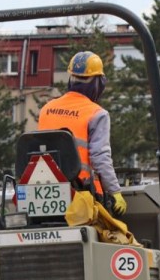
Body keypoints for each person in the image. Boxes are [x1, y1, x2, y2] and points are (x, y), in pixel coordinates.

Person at [37, 50, 127, 217]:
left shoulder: (46, 109)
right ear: (98, 83)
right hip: (83, 196)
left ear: (71, 78)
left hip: (43, 194)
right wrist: (115, 191)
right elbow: (100, 156)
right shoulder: (97, 114)